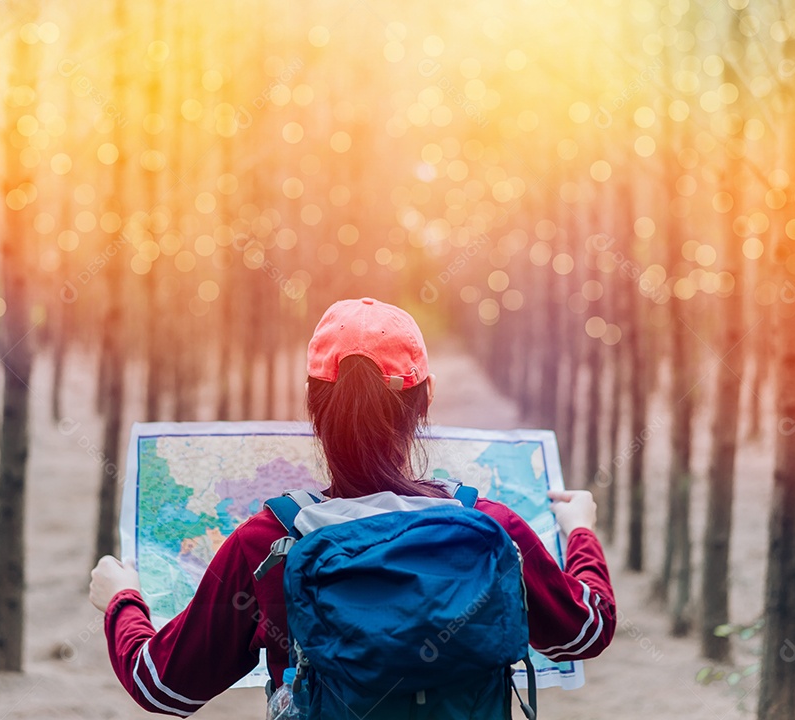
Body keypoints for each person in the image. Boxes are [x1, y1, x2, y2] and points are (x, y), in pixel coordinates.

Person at [90, 297, 617, 717]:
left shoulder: (267, 543)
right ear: (426, 398)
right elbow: (586, 631)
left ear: (312, 402)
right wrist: (580, 533)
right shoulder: (490, 530)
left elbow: (162, 687)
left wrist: (122, 601)